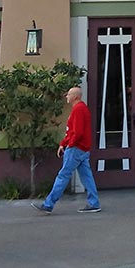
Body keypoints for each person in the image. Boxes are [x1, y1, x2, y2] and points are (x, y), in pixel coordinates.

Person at [32, 86, 101, 215]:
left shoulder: (78, 109)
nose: (66, 97)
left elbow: (77, 132)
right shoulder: (82, 109)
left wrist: (68, 144)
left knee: (63, 175)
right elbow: (75, 131)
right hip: (83, 149)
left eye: (69, 94)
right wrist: (64, 143)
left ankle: (48, 204)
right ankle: (94, 203)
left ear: (75, 96)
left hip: (76, 148)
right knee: (86, 176)